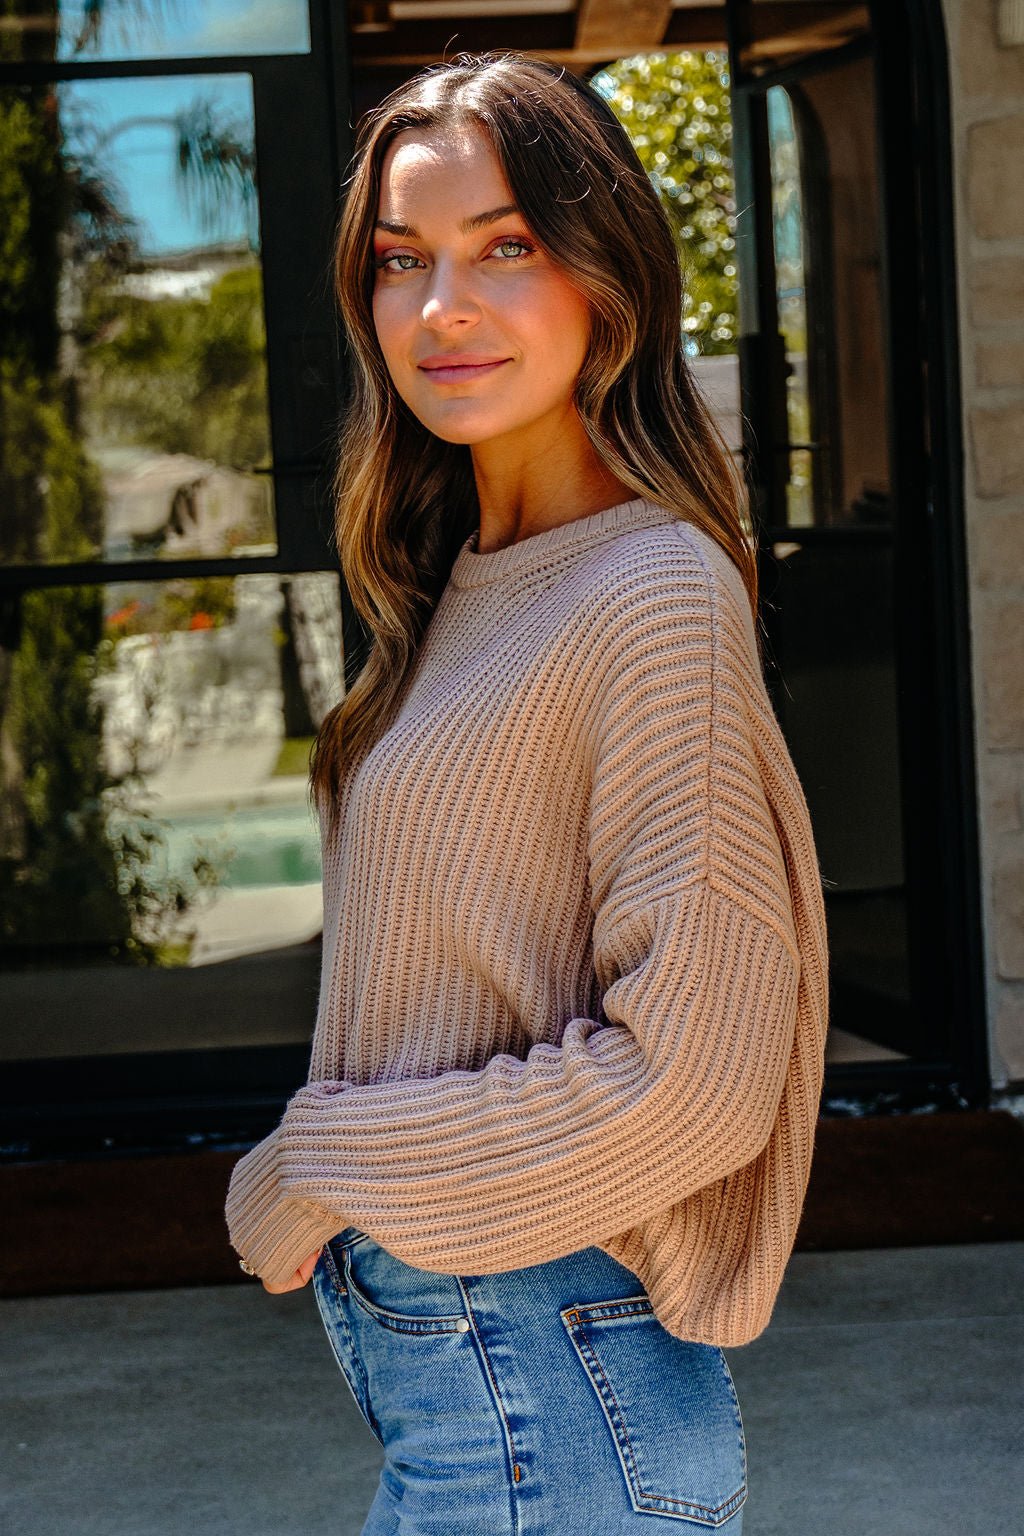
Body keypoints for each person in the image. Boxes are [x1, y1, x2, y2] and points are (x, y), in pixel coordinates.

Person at [225, 49, 829, 1535]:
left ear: (606, 277)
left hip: (542, 1392)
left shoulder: (653, 592)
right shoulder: (469, 586)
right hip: (484, 1385)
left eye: (506, 247)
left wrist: (322, 1163)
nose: (441, 308)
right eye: (400, 260)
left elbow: (689, 1084)